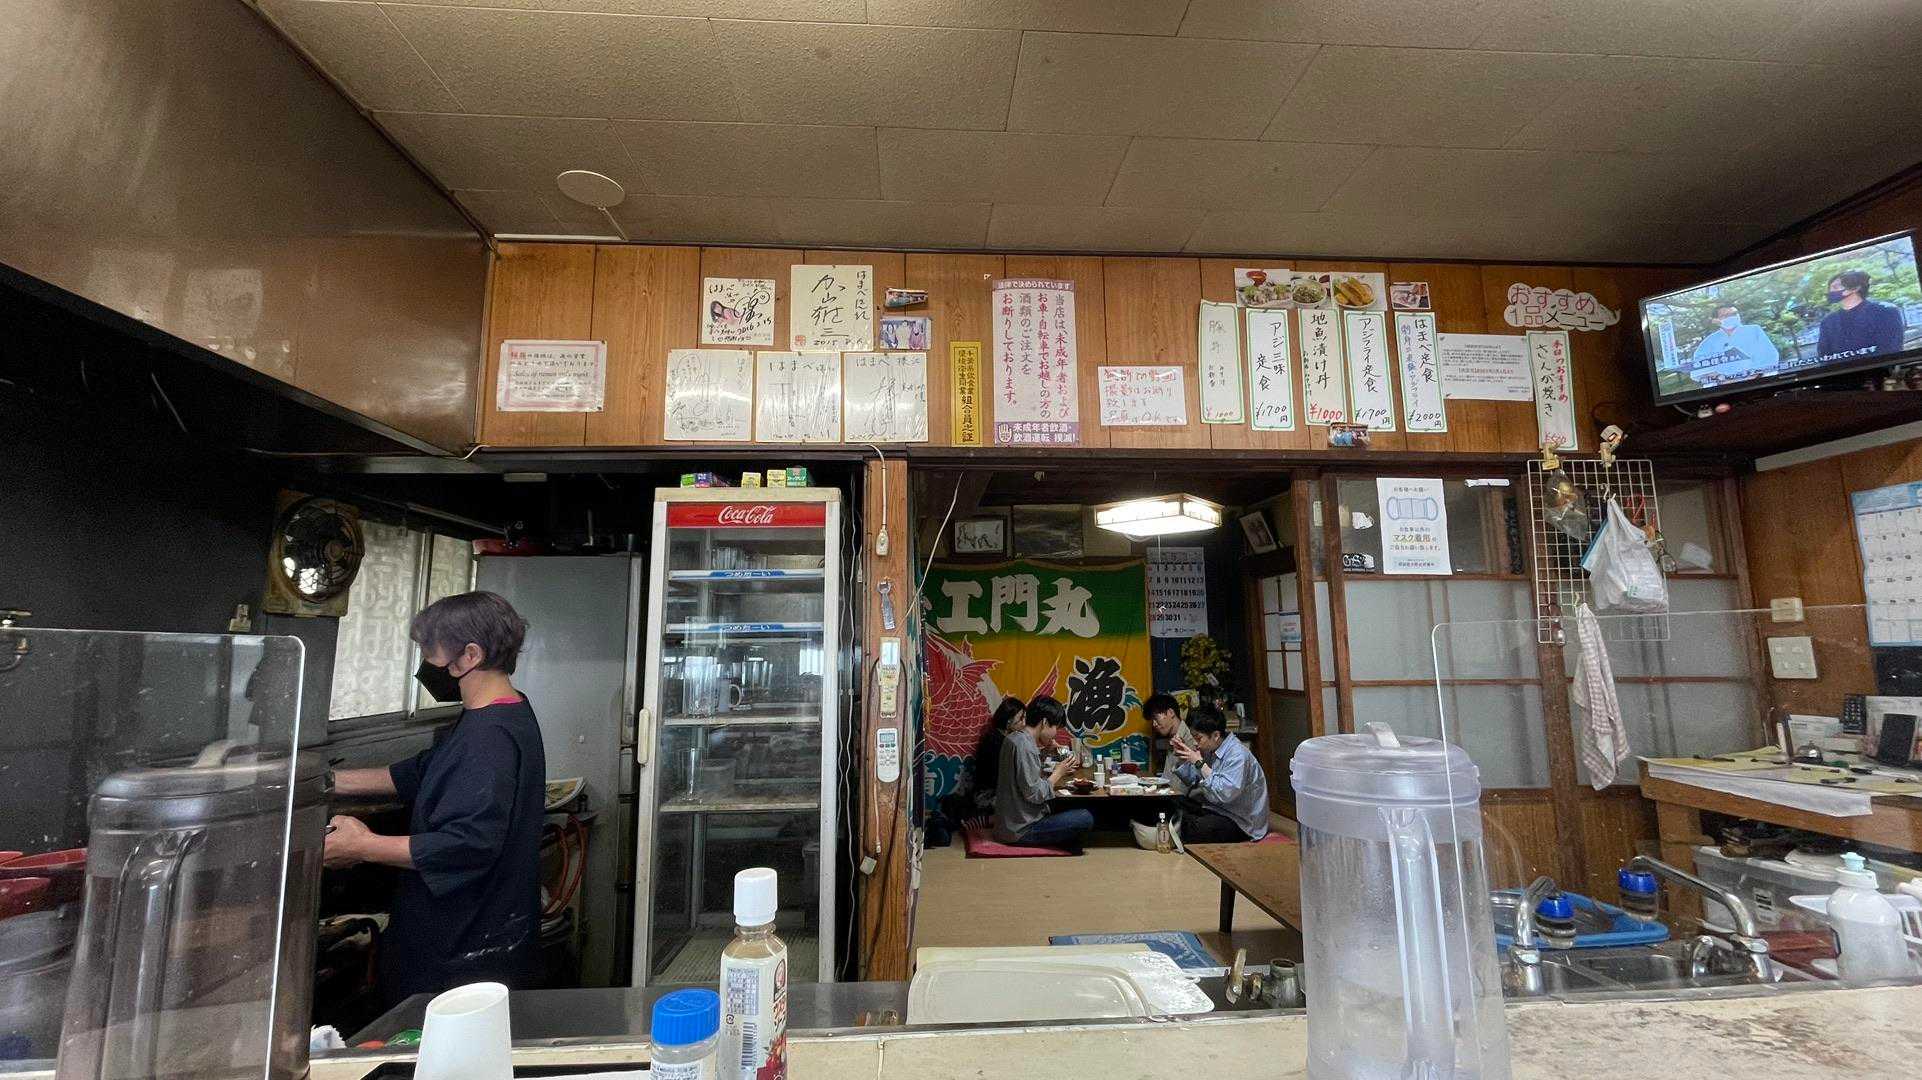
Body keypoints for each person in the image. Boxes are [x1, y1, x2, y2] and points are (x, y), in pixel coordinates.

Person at [325, 591, 548, 1004]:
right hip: (473, 931)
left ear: (470, 655)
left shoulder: (489, 739)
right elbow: (421, 772)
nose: (426, 663)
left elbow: (467, 844)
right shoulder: (503, 710)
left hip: (464, 945)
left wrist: (362, 845)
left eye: (431, 651)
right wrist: (325, 782)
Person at [992, 696, 1091, 851]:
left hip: (1009, 824)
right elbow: (1035, 794)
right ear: (1044, 722)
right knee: (1085, 817)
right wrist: (1058, 773)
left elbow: (1024, 774)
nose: (1055, 734)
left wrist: (1044, 753)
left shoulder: (1015, 738)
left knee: (1066, 808)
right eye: (1055, 728)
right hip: (1021, 830)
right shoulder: (1025, 746)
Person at [1169, 704, 1270, 843]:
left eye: (1198, 738)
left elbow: (1225, 794)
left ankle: (1179, 827)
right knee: (1170, 801)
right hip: (1215, 808)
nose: (1196, 743)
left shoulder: (1238, 755)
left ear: (1216, 735)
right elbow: (1192, 780)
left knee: (1197, 827)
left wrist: (1199, 763)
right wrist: (1182, 757)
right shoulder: (1210, 748)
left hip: (1241, 821)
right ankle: (1179, 825)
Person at [1818, 270, 1907, 361]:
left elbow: (1891, 348)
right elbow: (1824, 356)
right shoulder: (1828, 321)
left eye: (1835, 287)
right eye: (1830, 288)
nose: (1831, 292)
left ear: (1855, 288)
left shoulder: (1885, 311)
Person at [1687, 303, 1779, 380]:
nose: (1731, 317)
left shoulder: (1754, 330)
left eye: (1734, 314)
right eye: (1725, 315)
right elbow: (1699, 366)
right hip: (1723, 387)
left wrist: (1751, 377)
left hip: (1757, 381)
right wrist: (1722, 379)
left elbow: (1769, 356)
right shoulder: (1709, 341)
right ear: (1716, 321)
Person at [970, 696, 1027, 810]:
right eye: (1021, 719)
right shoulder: (996, 742)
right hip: (988, 796)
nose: (1024, 723)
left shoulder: (1002, 737)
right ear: (1008, 720)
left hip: (998, 791)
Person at [1142, 693, 1192, 794]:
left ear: (1171, 712)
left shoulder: (1189, 738)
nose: (1154, 724)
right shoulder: (1173, 738)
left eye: (1156, 718)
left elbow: (1186, 785)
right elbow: (1167, 779)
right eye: (1152, 720)